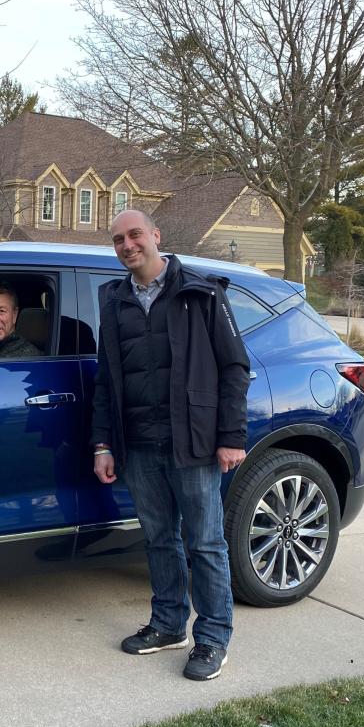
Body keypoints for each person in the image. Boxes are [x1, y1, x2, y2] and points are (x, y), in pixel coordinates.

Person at [91, 209, 249, 681]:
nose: (126, 245)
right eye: (118, 239)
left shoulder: (201, 292)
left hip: (194, 443)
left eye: (135, 235)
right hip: (137, 443)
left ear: (156, 235)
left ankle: (214, 639)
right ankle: (168, 624)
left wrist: (231, 436)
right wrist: (104, 444)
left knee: (204, 543)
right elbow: (106, 380)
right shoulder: (114, 301)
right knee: (159, 540)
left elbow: (234, 368)